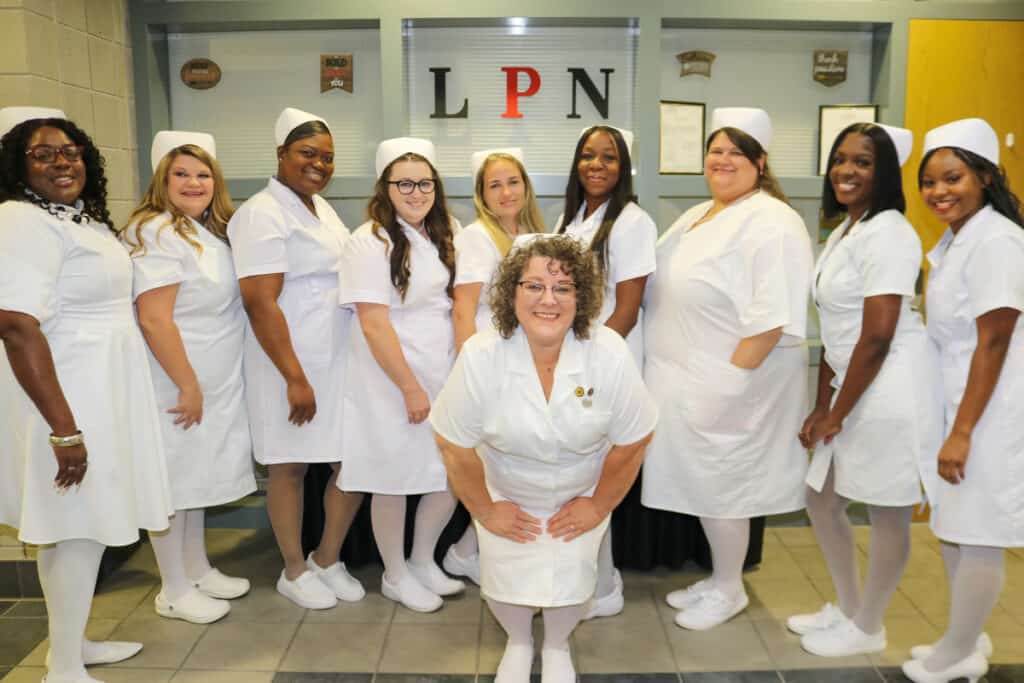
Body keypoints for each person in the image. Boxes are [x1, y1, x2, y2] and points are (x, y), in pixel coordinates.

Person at [432, 235, 657, 683]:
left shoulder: (608, 351)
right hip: (506, 487)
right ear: (511, 293)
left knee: (572, 576)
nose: (548, 300)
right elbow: (453, 444)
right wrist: (485, 510)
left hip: (581, 488)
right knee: (504, 578)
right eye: (533, 286)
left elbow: (634, 439)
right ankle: (518, 642)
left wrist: (598, 505)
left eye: (563, 288)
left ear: (582, 297)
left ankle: (556, 646)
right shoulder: (482, 353)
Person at [0, 107, 174, 682]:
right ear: (17, 167)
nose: (61, 162)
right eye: (43, 154)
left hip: (103, 388)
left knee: (85, 526)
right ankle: (64, 671)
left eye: (70, 151)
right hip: (69, 393)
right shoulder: (20, 220)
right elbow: (15, 325)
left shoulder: (79, 220)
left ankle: (67, 646)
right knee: (74, 525)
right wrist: (64, 428)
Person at [641, 107, 813, 630]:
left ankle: (731, 588)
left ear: (760, 163)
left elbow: (772, 315)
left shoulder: (773, 220)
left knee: (726, 486)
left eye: (736, 153)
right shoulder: (700, 213)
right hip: (685, 379)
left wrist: (730, 383)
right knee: (704, 484)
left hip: (733, 382)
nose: (723, 160)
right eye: (716, 151)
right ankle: (720, 579)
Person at [789, 122, 942, 657]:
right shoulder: (847, 230)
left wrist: (837, 411)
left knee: (886, 511)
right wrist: (821, 404)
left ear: (884, 175)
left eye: (862, 162)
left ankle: (869, 625)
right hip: (853, 382)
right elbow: (837, 328)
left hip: (888, 386)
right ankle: (850, 607)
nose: (845, 171)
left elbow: (877, 336)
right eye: (840, 159)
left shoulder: (892, 232)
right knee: (821, 498)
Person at [901, 118, 1024, 683]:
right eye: (929, 183)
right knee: (954, 523)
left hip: (990, 411)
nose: (938, 192)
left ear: (985, 177)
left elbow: (993, 339)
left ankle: (958, 652)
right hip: (960, 403)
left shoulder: (998, 240)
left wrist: (963, 430)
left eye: (952, 178)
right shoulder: (955, 241)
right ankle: (963, 641)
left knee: (978, 531)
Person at [228, 107, 364, 610]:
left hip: (333, 360)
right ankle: (293, 568)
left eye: (327, 157)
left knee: (350, 462)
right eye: (308, 154)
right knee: (289, 468)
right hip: (286, 363)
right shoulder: (262, 213)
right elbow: (260, 301)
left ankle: (327, 557)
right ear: (282, 154)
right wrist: (294, 376)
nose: (319, 164)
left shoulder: (319, 209)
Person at [120, 131, 257, 623]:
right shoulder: (155, 231)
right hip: (174, 376)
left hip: (211, 372)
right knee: (173, 483)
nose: (194, 183)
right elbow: (156, 318)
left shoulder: (204, 230)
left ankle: (196, 568)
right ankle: (173, 589)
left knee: (198, 476)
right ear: (162, 179)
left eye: (203, 174)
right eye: (181, 174)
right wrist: (187, 383)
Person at [337, 137, 462, 613]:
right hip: (389, 378)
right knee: (391, 476)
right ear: (385, 187)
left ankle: (422, 560)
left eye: (424, 182)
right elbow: (373, 320)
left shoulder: (444, 231)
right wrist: (409, 386)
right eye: (404, 183)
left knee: (444, 474)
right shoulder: (368, 240)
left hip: (441, 371)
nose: (415, 192)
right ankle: (394, 573)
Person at [556, 125, 658, 618]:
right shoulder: (572, 218)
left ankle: (604, 588)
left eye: (609, 158)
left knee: (598, 478)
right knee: (580, 475)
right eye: (588, 155)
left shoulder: (633, 222)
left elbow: (629, 307)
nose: (597, 165)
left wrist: (590, 360)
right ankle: (594, 579)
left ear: (624, 169)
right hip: (576, 358)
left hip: (606, 361)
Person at [443, 147, 545, 585]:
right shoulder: (475, 237)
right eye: (494, 185)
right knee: (493, 470)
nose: (506, 192)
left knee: (512, 468)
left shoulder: (535, 233)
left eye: (513, 181)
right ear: (481, 195)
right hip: (489, 364)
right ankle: (466, 552)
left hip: (524, 363)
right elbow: (462, 308)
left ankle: (469, 551)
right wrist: (471, 372)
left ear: (526, 186)